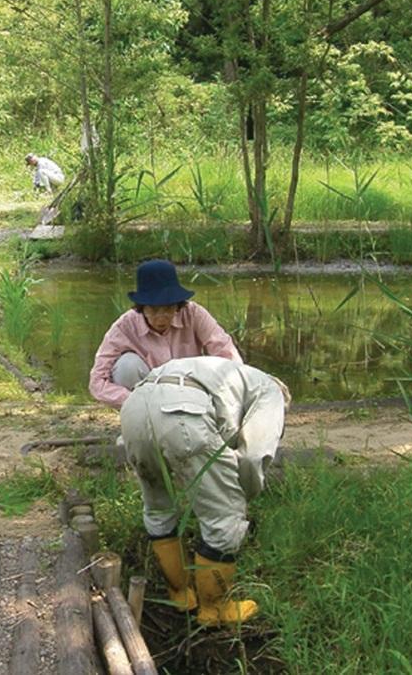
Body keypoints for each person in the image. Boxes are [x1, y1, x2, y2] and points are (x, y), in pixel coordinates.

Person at [120, 356, 290, 626]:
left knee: (159, 506)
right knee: (223, 517)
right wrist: (241, 497)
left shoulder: (233, 374)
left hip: (134, 408)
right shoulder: (270, 393)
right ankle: (215, 610)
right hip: (183, 414)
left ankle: (180, 594)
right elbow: (253, 456)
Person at [89, 259, 242, 409]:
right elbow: (97, 381)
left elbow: (226, 354)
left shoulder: (194, 314)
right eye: (154, 310)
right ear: (142, 308)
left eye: (168, 309)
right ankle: (141, 423)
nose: (161, 317)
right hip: (145, 399)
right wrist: (134, 400)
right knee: (126, 365)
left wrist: (234, 389)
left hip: (191, 391)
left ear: (178, 305)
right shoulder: (125, 326)